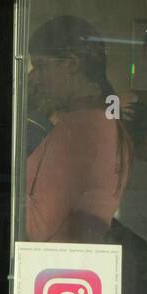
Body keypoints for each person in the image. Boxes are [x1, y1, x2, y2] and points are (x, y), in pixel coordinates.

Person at [25, 15, 130, 244]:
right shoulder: (102, 120)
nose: (35, 78)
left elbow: (35, 225)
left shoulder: (80, 128)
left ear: (72, 64)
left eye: (42, 67)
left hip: (55, 267)